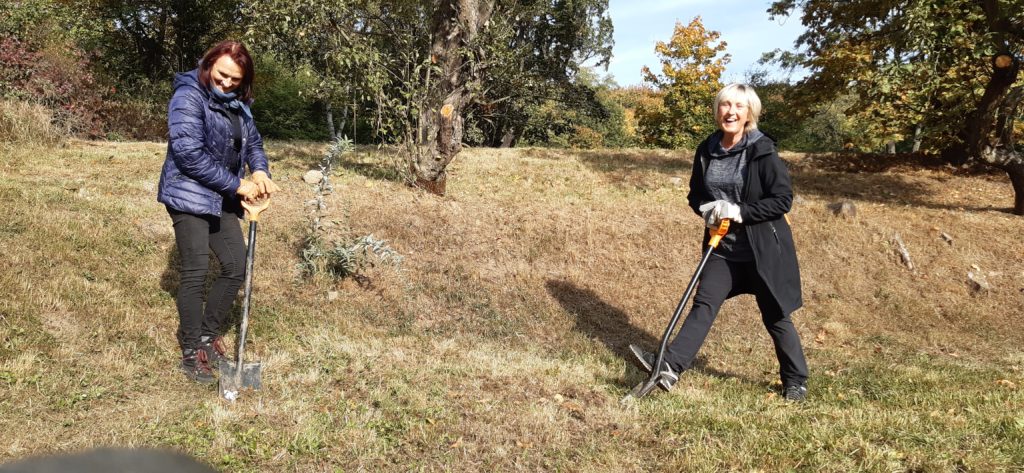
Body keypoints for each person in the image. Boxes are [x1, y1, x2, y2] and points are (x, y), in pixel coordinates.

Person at [629, 83, 809, 401]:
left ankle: (796, 380)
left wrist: (740, 210)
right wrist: (706, 209)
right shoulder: (707, 149)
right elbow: (696, 194)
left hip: (761, 250)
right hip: (722, 246)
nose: (731, 111)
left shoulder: (762, 150)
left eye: (738, 106)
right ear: (717, 110)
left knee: (775, 314)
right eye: (725, 105)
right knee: (704, 304)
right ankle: (669, 368)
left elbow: (782, 200)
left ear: (749, 113)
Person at [157, 40, 280, 384]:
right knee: (195, 269)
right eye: (222, 75)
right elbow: (188, 155)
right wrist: (238, 185)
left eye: (235, 80)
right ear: (209, 64)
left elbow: (253, 143)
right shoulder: (188, 96)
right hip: (188, 194)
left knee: (235, 266)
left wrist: (259, 171)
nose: (226, 84)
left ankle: (209, 337)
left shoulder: (239, 105)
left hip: (220, 196)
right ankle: (191, 348)